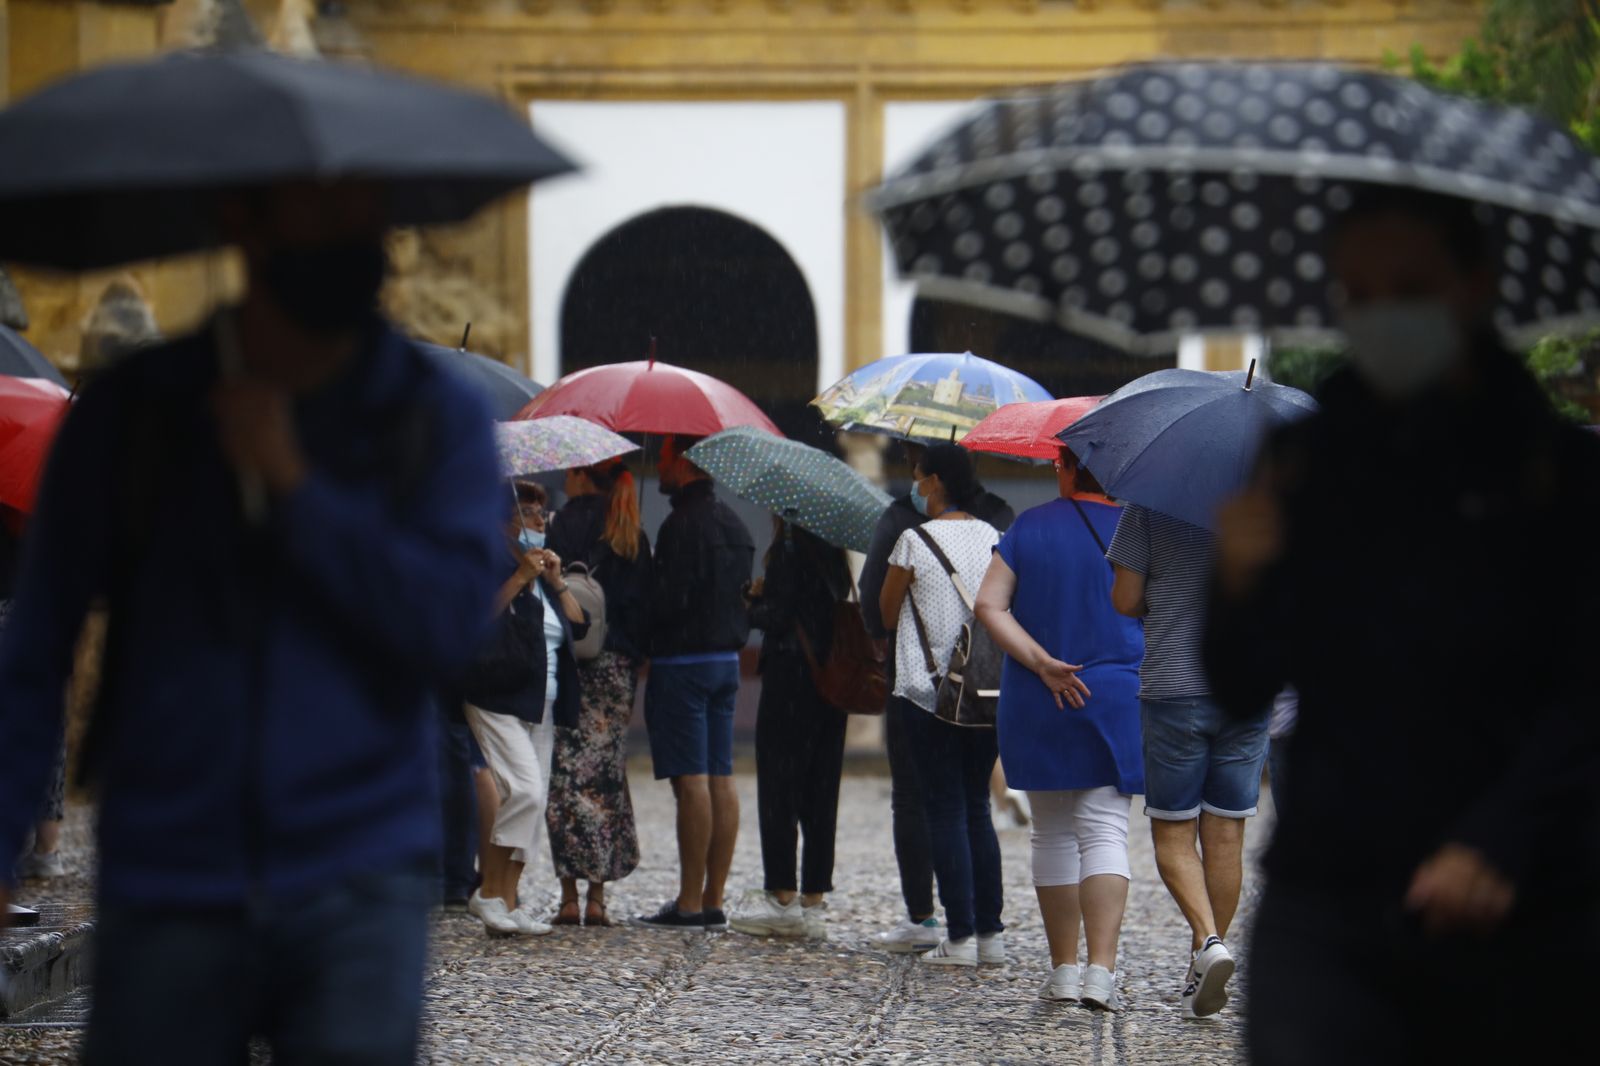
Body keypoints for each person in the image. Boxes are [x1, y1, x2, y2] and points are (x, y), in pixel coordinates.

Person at [0, 181, 506, 1065]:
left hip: (359, 863)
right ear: (246, 221)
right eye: (325, 210)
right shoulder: (137, 410)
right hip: (172, 864)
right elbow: (37, 650)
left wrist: (295, 488)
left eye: (368, 212)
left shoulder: (434, 416)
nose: (359, 234)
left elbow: (447, 626)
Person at [1205, 187, 1600, 1065]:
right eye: (1359, 293)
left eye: (1410, 289)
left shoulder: (1560, 474)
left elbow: (1586, 693)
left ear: (1474, 285)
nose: (1383, 315)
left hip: (1521, 909)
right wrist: (1237, 581)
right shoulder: (1303, 463)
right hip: (1331, 899)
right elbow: (1239, 680)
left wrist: (1501, 839)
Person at [975, 447, 1144, 1010]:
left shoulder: (1029, 527)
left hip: (1037, 691)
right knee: (1105, 831)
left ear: (1065, 467)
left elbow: (989, 605)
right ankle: (1101, 974)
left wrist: (1041, 662)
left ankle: (1064, 971)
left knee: (1050, 833)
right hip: (1115, 693)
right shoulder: (1136, 529)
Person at [1105, 489, 1267, 1019]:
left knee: (1173, 832)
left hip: (1176, 685)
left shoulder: (1152, 500)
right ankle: (1204, 960)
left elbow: (1125, 599)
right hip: (1247, 686)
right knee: (1227, 832)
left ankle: (1208, 942)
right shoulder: (1267, 497)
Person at [858, 438, 1014, 953]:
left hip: (927, 694)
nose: (916, 487)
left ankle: (960, 936)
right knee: (977, 808)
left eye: (919, 477)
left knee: (943, 808)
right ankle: (990, 935)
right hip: (984, 689)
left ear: (936, 482)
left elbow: (885, 613)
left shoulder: (912, 541)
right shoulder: (995, 537)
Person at [635, 435, 754, 930]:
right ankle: (713, 897)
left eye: (664, 458)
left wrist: (644, 583)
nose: (660, 468)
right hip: (726, 661)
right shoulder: (735, 524)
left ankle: (687, 902)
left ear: (684, 462)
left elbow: (668, 602)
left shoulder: (680, 526)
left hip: (683, 663)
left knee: (692, 779)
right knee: (721, 775)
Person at [463, 480, 590, 937]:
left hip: (542, 700)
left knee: (531, 809)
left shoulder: (540, 569)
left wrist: (554, 581)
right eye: (530, 513)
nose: (541, 522)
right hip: (496, 695)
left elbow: (579, 626)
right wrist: (518, 578)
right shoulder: (489, 561)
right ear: (506, 520)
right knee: (525, 792)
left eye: (542, 514)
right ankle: (488, 891)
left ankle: (506, 899)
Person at [729, 519, 852, 940]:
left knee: (779, 790)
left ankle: (782, 897)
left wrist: (751, 601)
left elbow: (778, 617)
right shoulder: (836, 557)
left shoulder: (788, 551)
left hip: (790, 679)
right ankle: (814, 900)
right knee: (822, 789)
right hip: (832, 682)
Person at [544, 459, 649, 926]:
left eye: (570, 472)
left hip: (570, 661)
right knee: (604, 778)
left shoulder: (559, 527)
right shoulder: (630, 532)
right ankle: (597, 899)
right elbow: (645, 607)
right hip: (615, 669)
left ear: (583, 476)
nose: (565, 479)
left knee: (564, 777)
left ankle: (568, 896)